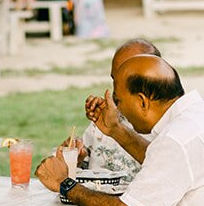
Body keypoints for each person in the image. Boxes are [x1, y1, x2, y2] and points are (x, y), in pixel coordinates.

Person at [37, 55, 204, 206]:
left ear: (142, 102)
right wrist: (116, 129)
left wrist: (65, 184)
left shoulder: (178, 139)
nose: (118, 109)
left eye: (118, 100)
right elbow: (163, 161)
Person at [58, 39, 160, 181]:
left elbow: (161, 165)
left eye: (124, 81)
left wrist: (116, 130)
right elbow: (83, 170)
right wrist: (77, 158)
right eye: (114, 80)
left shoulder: (169, 125)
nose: (115, 91)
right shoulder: (108, 115)